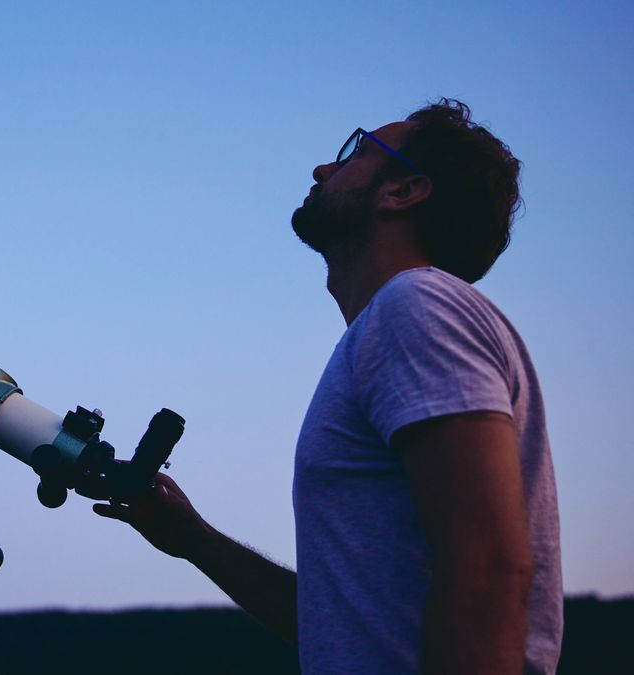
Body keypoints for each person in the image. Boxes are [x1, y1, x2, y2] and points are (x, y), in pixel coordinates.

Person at [94, 99, 562, 674]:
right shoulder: (396, 323)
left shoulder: (416, 307)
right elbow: (338, 627)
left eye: (356, 153)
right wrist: (195, 540)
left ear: (403, 192)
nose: (323, 170)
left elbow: (489, 567)